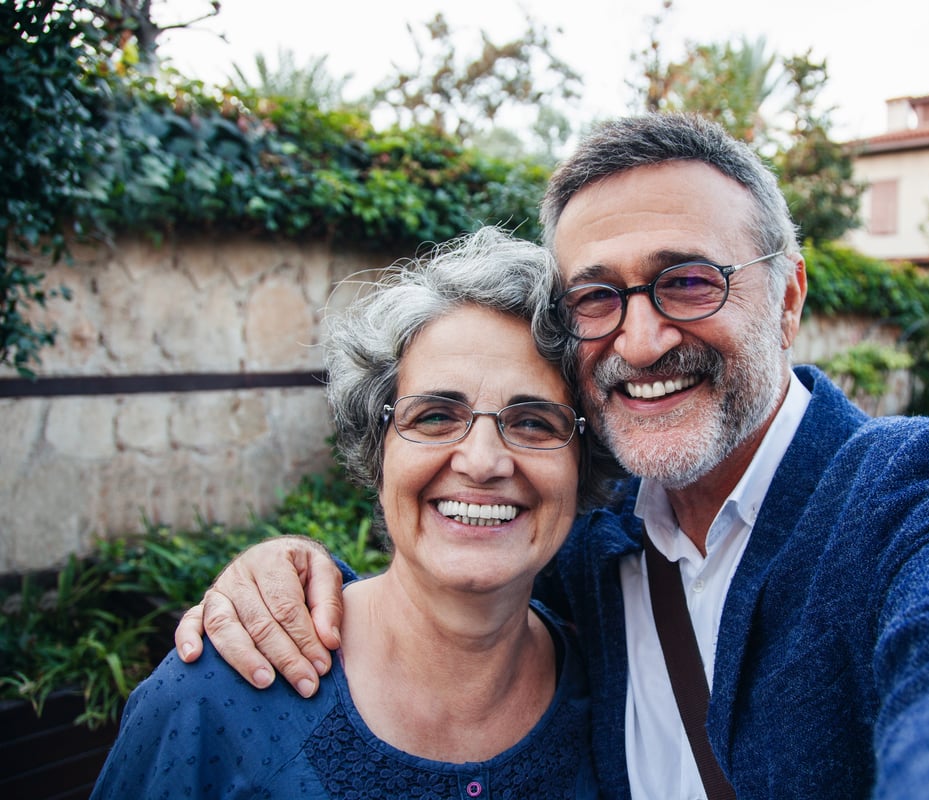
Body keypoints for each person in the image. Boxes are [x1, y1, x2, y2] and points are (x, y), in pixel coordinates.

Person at [174, 114, 929, 799]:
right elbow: (453, 580)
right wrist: (295, 574)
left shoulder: (917, 489)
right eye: (597, 296)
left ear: (788, 296)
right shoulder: (589, 539)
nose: (643, 337)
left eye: (690, 281)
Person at [93, 227, 618, 799]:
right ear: (377, 448)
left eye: (534, 422)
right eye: (435, 417)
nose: (483, 461)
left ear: (582, 463)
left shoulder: (616, 695)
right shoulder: (214, 698)